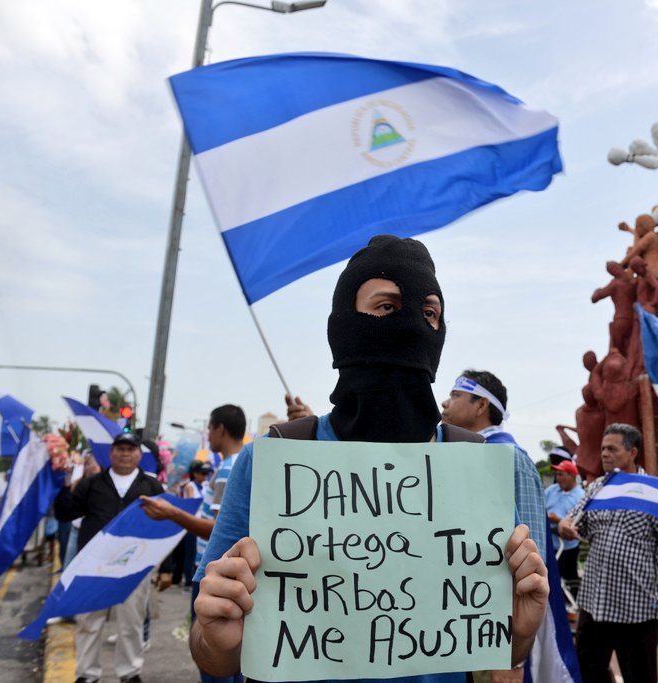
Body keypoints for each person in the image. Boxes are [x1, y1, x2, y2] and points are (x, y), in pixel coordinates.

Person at [190, 235, 548, 682]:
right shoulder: (272, 461)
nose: (414, 328)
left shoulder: (473, 467)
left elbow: (495, 651)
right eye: (386, 308)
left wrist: (520, 630)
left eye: (429, 314)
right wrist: (217, 636)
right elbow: (213, 655)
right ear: (344, 325)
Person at [558, 424, 658, 683]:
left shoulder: (652, 493)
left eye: (612, 449)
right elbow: (573, 520)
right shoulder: (596, 488)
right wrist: (564, 525)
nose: (604, 454)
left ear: (632, 453)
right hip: (595, 604)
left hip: (636, 608)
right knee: (588, 671)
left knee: (640, 676)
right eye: (603, 448)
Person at [141, 405, 248, 683]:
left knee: (213, 659)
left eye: (210, 429)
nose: (208, 435)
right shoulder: (243, 464)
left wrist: (172, 513)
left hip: (214, 575)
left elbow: (220, 532)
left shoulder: (228, 469)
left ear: (220, 429)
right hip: (232, 576)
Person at [54, 432, 172, 683]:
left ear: (139, 454)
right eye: (120, 449)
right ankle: (87, 674)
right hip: (94, 565)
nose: (125, 454)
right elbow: (66, 513)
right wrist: (62, 487)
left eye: (131, 449)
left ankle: (130, 672)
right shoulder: (92, 483)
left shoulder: (151, 487)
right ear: (111, 453)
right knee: (89, 621)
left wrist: (167, 568)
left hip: (134, 566)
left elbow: (165, 527)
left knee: (131, 623)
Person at [441, 369, 549, 554]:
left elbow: (532, 547)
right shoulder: (453, 453)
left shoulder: (512, 458)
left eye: (455, 395)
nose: (445, 403)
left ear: (481, 405)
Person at [544, 459, 584, 597]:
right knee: (550, 577)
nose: (558, 478)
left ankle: (573, 604)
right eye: (557, 474)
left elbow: (581, 522)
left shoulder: (581, 496)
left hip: (569, 546)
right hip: (550, 542)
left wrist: (558, 520)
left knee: (570, 576)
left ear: (572, 476)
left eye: (561, 474)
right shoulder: (550, 491)